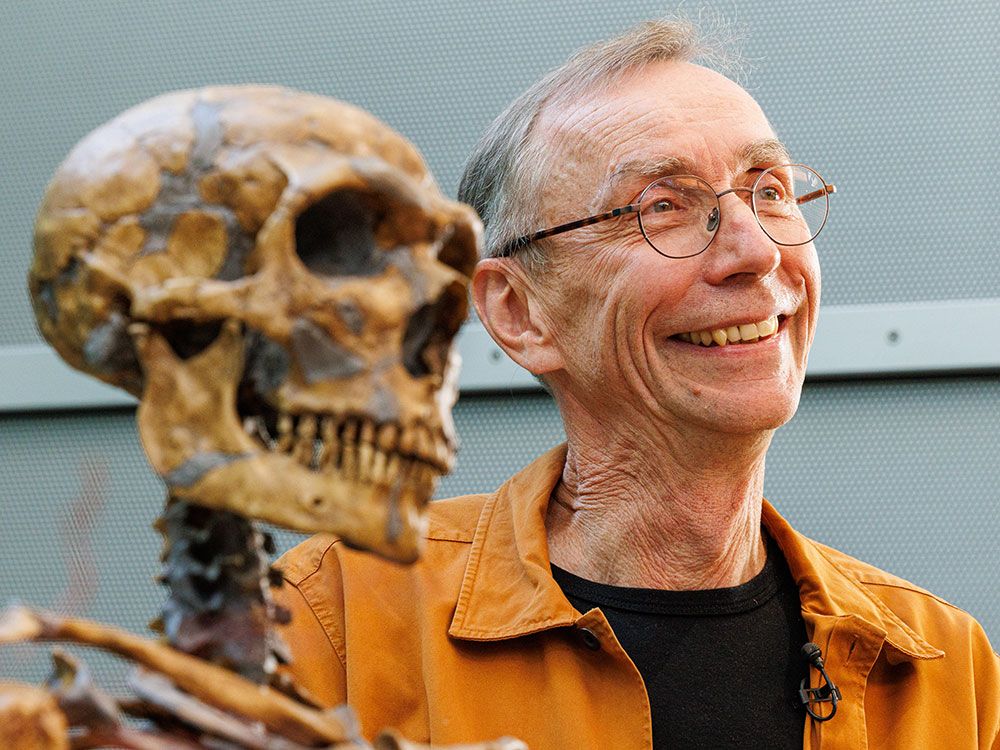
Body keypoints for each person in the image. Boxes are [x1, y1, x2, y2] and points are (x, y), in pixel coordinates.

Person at [275, 18, 1000, 749]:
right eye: (662, 206)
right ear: (520, 312)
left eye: (772, 191)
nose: (755, 251)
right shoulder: (336, 622)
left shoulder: (942, 669)